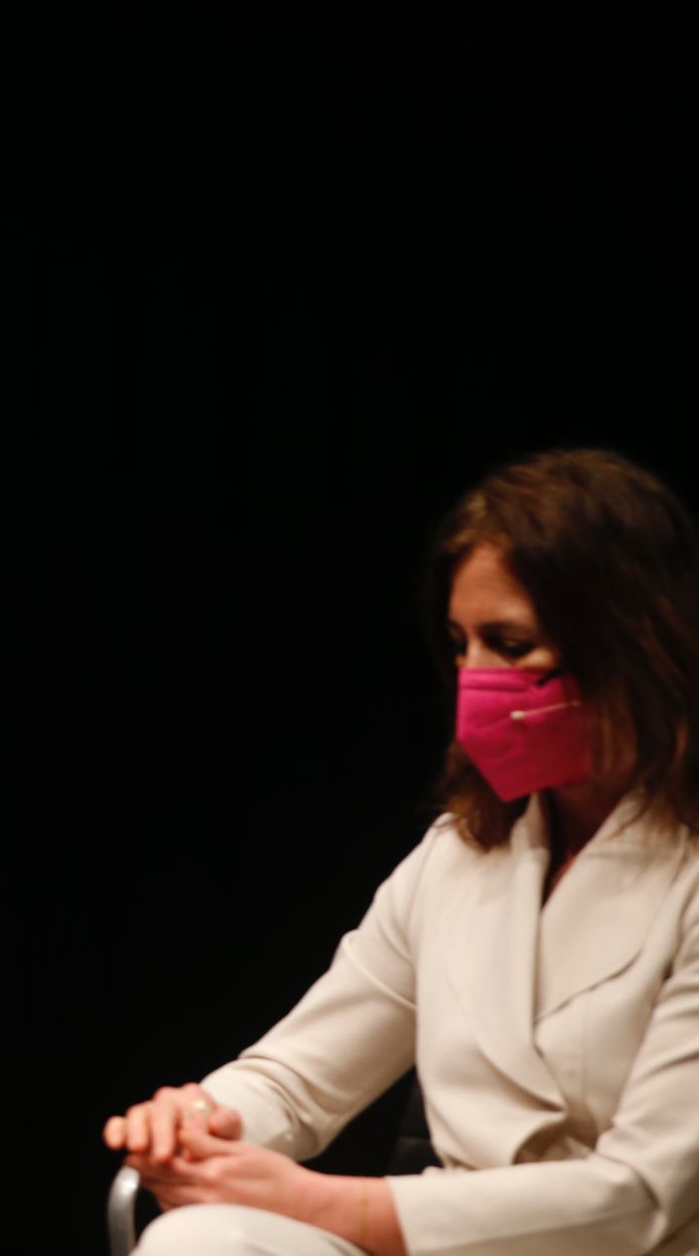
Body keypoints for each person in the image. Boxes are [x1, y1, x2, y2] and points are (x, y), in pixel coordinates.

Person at [104, 449, 699, 1256]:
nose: (474, 679)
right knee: (200, 1240)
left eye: (511, 643)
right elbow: (300, 1076)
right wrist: (200, 1123)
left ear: (631, 646)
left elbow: (640, 1197)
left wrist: (337, 1209)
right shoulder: (461, 855)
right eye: (460, 644)